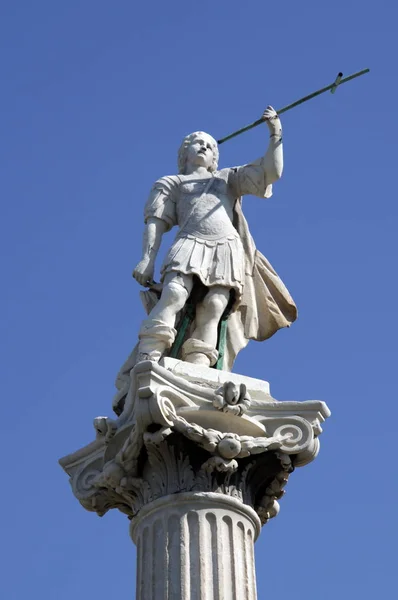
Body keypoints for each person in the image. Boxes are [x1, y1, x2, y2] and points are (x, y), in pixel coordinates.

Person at [113, 107, 297, 415]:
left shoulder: (227, 179)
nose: (205, 147)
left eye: (211, 146)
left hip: (225, 248)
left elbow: (271, 172)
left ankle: (200, 361)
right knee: (173, 294)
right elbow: (155, 221)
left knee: (214, 307)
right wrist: (147, 258)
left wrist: (275, 133)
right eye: (198, 143)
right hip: (188, 243)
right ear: (184, 154)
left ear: (215, 158)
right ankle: (150, 351)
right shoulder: (172, 183)